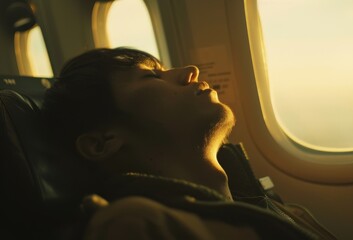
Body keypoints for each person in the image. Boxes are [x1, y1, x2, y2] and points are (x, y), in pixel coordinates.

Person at [42, 47, 336, 240]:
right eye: (151, 76)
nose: (190, 70)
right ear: (102, 142)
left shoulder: (273, 208)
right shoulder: (139, 226)